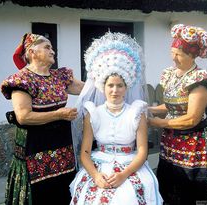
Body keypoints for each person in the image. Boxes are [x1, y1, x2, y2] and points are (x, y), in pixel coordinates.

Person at [69, 32, 163, 205]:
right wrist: (96, 176)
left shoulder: (137, 112)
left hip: (130, 165)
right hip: (99, 164)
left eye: (120, 85)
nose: (115, 90)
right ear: (102, 87)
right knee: (90, 195)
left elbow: (142, 151)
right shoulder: (93, 112)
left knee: (128, 196)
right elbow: (84, 153)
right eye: (110, 85)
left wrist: (123, 175)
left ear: (126, 87)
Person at [148, 24, 207, 204]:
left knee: (190, 189)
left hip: (196, 143)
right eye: (172, 52)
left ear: (192, 55)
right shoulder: (170, 75)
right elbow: (173, 105)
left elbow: (191, 118)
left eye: (179, 54)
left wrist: (157, 123)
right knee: (171, 185)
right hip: (173, 141)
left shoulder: (199, 79)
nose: (174, 58)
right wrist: (150, 109)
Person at [0, 33, 84, 205]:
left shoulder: (60, 77)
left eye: (52, 47)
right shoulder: (21, 80)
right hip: (35, 152)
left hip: (62, 149)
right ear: (32, 52)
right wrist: (59, 114)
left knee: (63, 190)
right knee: (41, 195)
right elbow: (24, 117)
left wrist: (108, 74)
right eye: (47, 47)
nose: (52, 51)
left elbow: (88, 89)